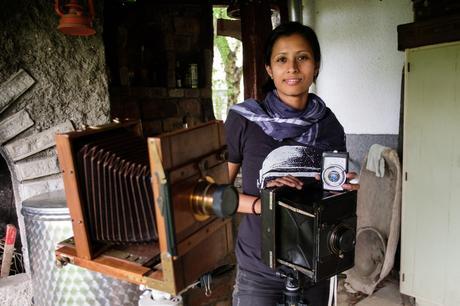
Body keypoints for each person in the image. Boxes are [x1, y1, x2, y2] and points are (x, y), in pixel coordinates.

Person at [225, 21, 360, 306]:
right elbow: (213, 195)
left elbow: (326, 196)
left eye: (303, 57)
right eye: (282, 59)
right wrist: (263, 204)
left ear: (317, 66)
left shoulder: (329, 125)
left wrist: (339, 192)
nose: (293, 68)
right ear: (269, 69)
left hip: (313, 262)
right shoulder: (244, 120)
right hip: (258, 269)